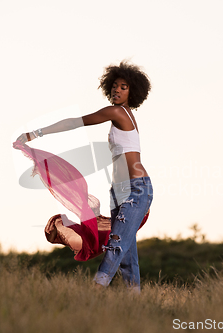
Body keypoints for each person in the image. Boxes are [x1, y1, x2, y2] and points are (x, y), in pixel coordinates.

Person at [14, 61, 153, 291]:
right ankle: (135, 303)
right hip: (118, 193)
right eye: (115, 86)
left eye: (124, 87)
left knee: (116, 244)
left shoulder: (118, 112)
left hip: (136, 188)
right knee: (126, 254)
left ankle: (95, 292)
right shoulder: (119, 115)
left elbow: (77, 122)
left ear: (133, 91)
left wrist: (35, 133)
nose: (117, 90)